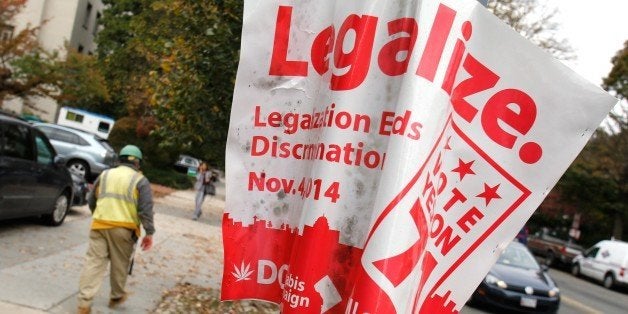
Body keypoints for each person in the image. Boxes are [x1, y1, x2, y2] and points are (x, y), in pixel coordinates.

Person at [77, 145, 155, 314]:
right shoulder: (141, 181)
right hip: (123, 230)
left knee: (94, 264)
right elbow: (145, 209)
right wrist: (149, 233)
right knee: (120, 264)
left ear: (120, 159)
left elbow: (92, 199)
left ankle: (84, 303)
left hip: (99, 225)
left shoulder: (105, 175)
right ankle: (116, 296)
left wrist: (97, 214)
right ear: (137, 163)